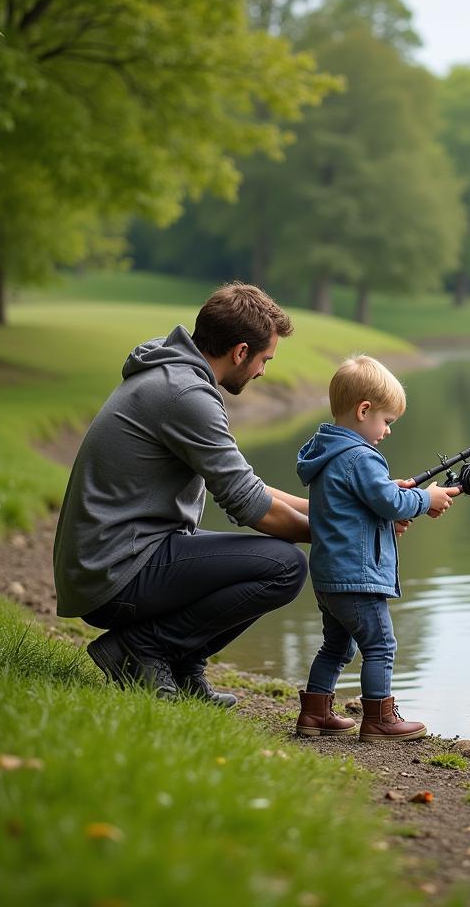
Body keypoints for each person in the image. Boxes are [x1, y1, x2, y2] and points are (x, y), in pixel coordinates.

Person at [53, 282, 311, 707]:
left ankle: (182, 667)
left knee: (261, 561)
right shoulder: (186, 394)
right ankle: (143, 650)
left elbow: (247, 484)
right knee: (284, 567)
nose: (264, 371)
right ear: (241, 351)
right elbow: (249, 505)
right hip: (114, 570)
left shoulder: (175, 371)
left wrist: (338, 509)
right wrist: (335, 532)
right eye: (265, 359)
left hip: (111, 559)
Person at [294, 355, 460, 742]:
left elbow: (361, 504)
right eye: (385, 421)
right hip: (357, 576)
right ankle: (380, 720)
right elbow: (389, 502)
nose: (386, 431)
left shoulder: (328, 453)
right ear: (364, 410)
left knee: (336, 645)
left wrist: (390, 496)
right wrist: (424, 498)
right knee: (381, 644)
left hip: (328, 574)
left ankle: (315, 715)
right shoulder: (360, 456)